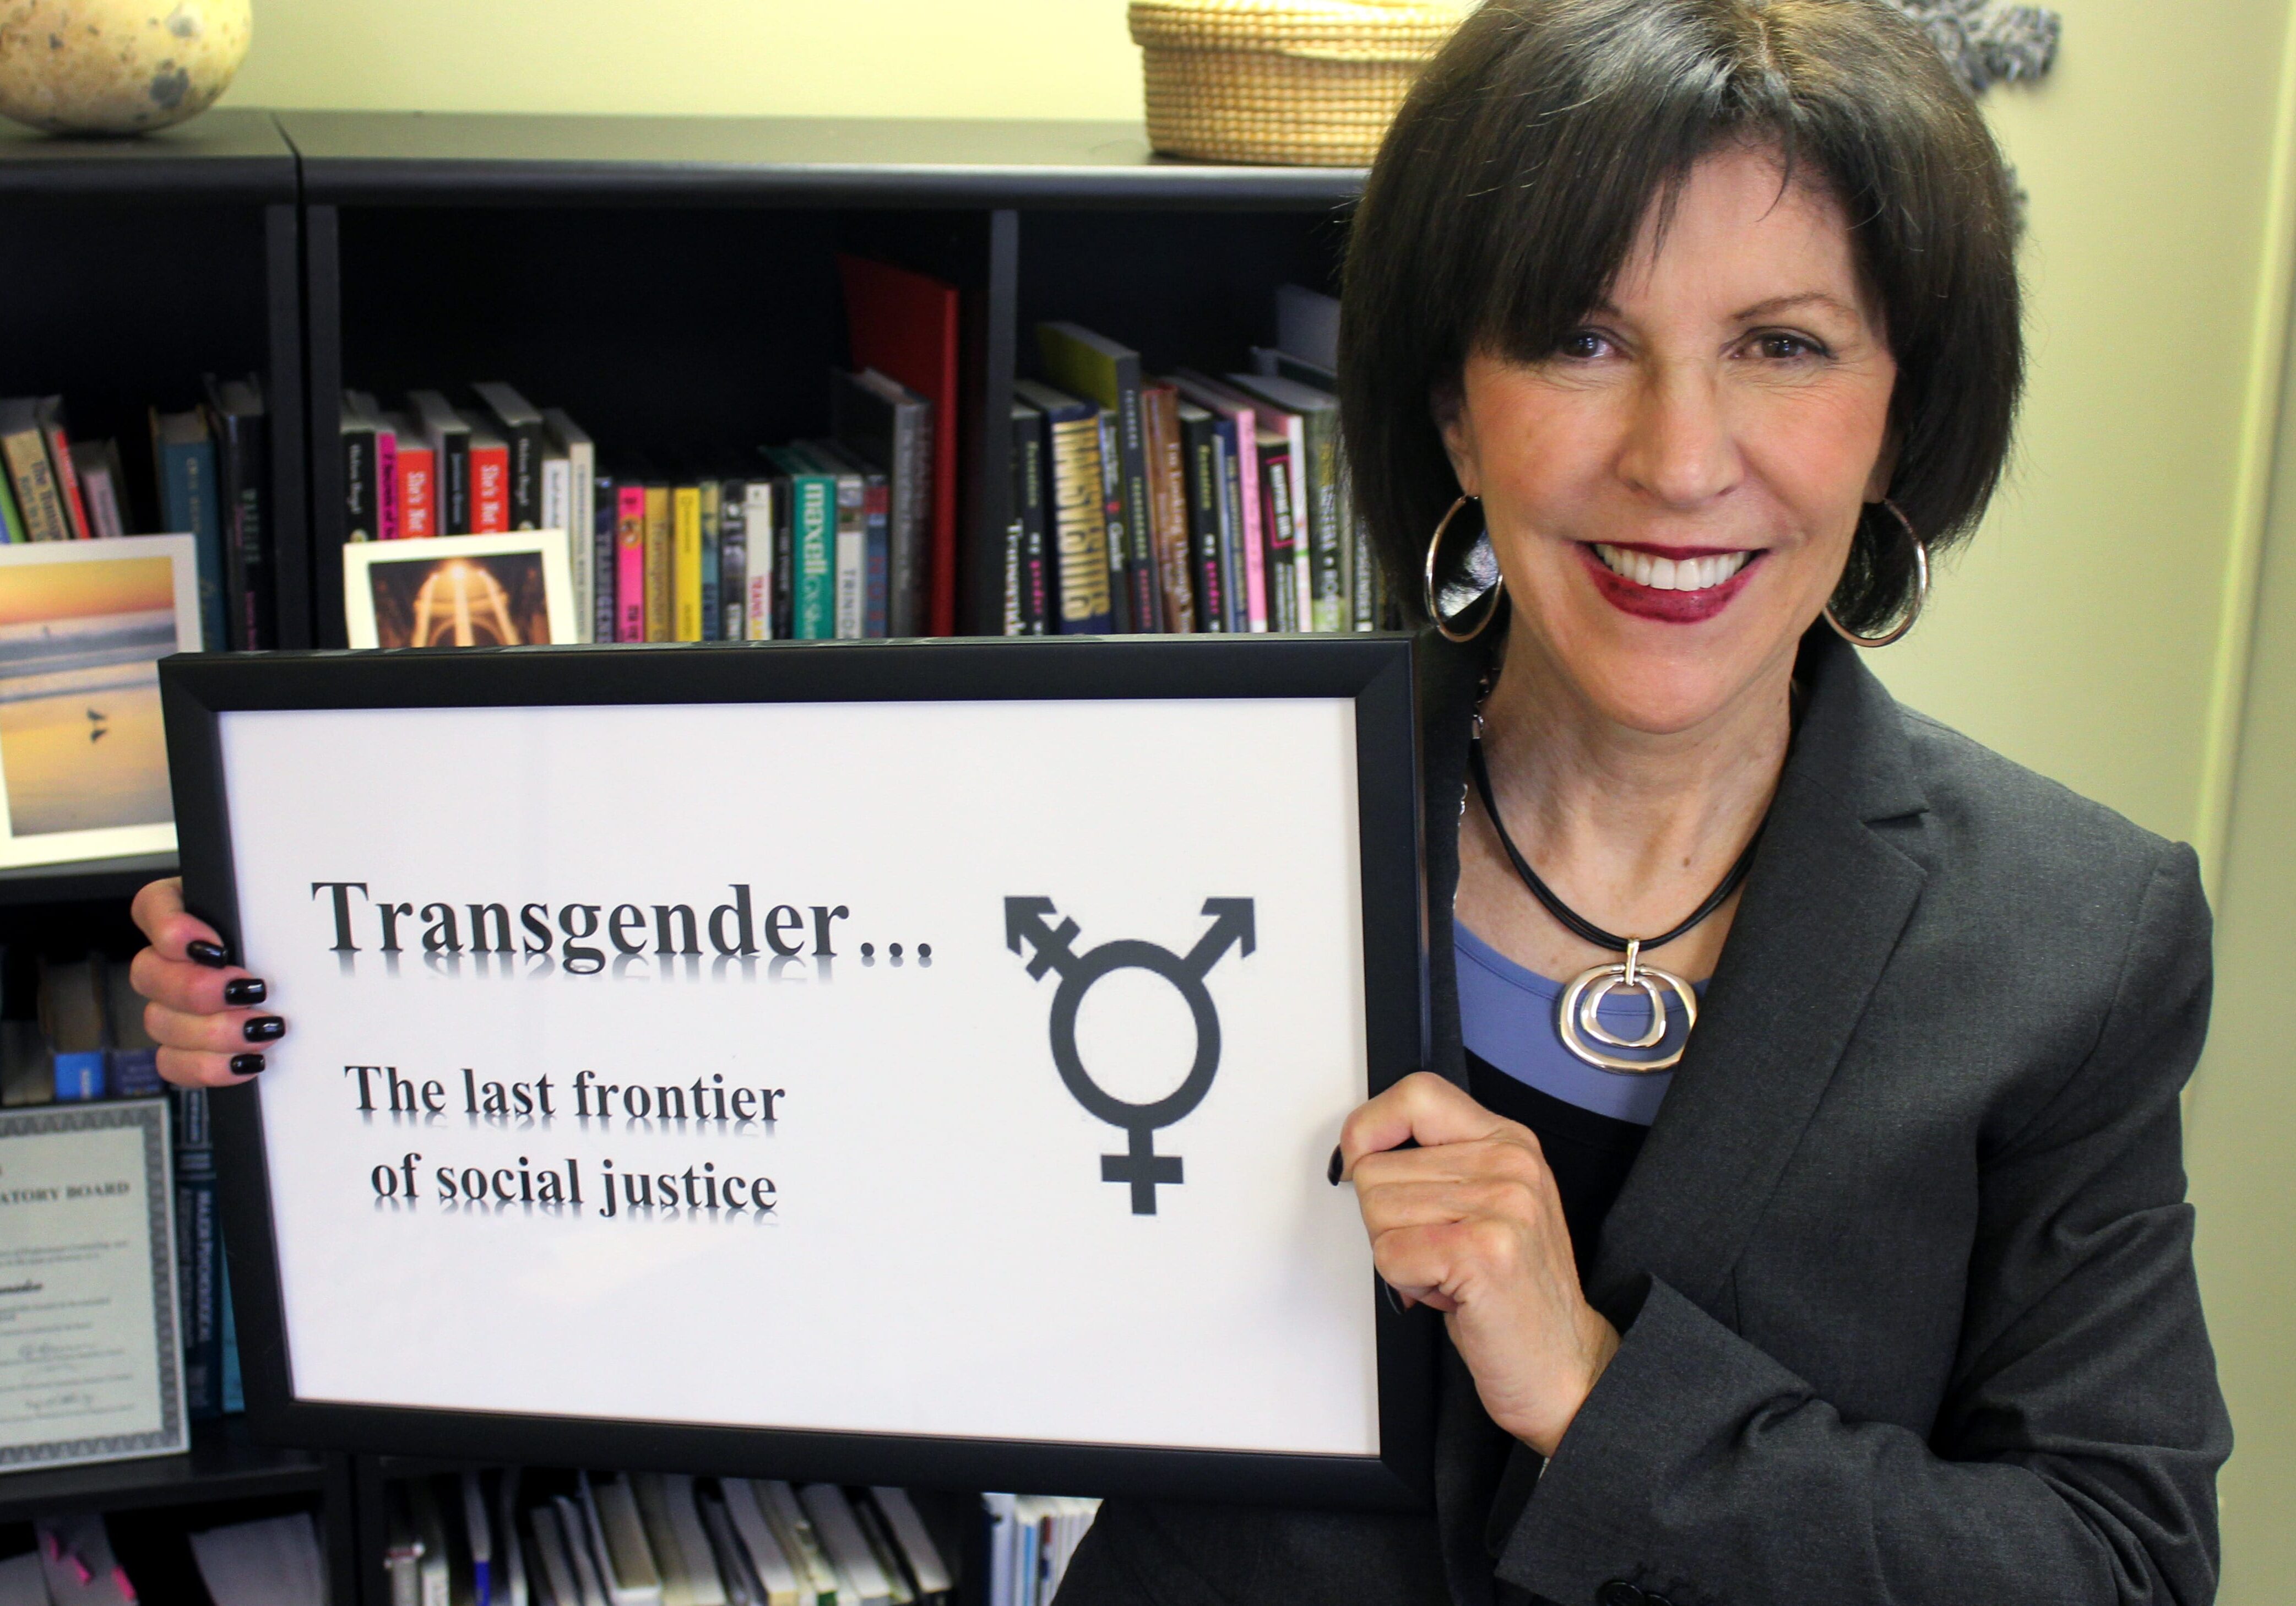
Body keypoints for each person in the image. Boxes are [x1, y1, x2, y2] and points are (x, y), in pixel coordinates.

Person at [127, 1, 2228, 1601]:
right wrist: (352, 1025)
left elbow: (2113, 1557)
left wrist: (1592, 1387)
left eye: (1781, 345)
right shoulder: (1174, 795)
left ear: (1902, 402)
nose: (1681, 460)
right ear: (1445, 400)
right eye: (1582, 339)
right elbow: (766, 1142)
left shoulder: (2074, 930)